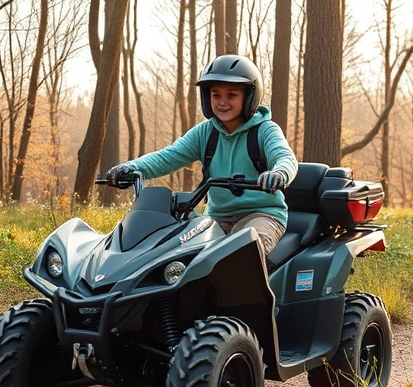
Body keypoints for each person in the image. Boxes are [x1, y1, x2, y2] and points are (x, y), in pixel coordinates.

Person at [107, 54, 299, 256]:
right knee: (181, 257)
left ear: (249, 97)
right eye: (216, 95)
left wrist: (279, 173)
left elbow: (285, 157)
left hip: (263, 215)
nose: (222, 102)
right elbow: (167, 157)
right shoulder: (205, 132)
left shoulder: (265, 130)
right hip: (216, 218)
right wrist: (131, 168)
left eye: (231, 95)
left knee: (244, 254)